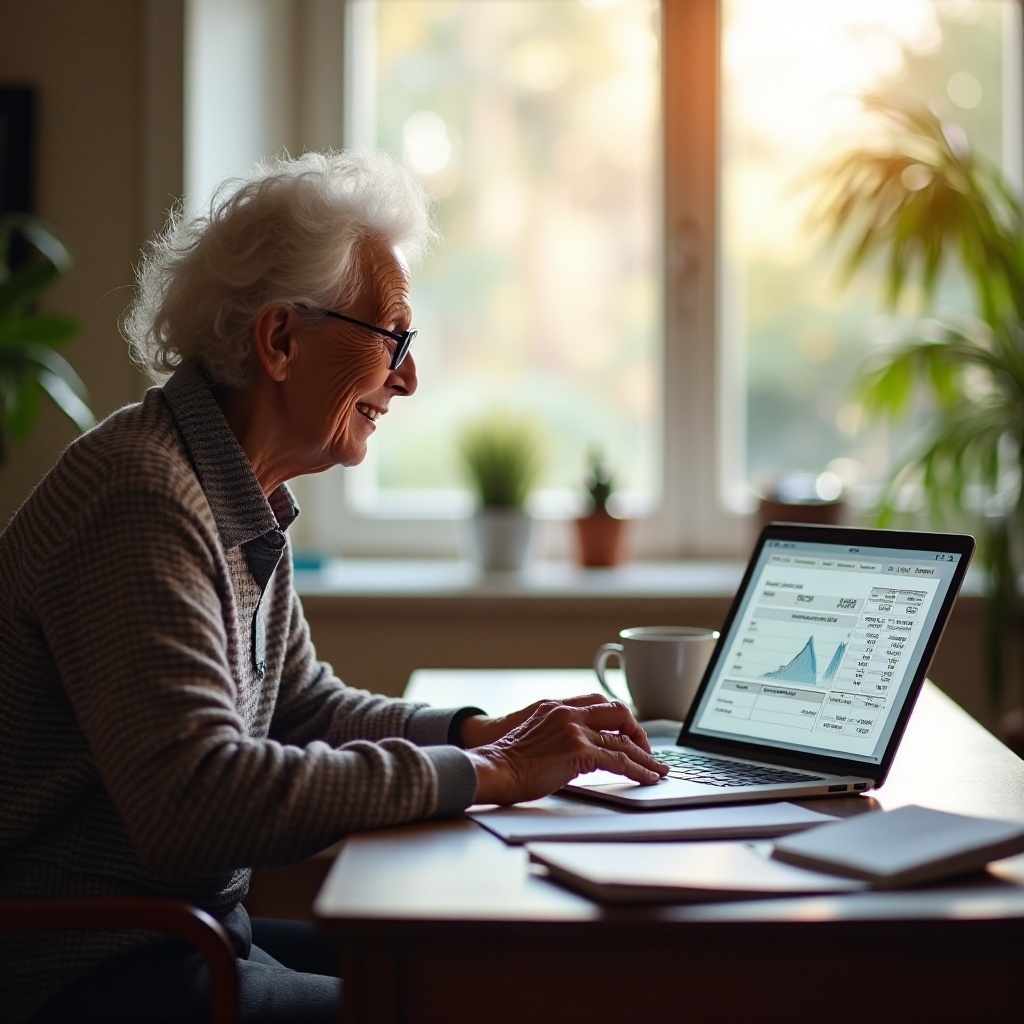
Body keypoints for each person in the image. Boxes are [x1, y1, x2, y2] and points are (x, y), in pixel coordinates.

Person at [0, 149, 667, 1024]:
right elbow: (195, 804)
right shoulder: (143, 496)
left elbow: (302, 707)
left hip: (187, 934)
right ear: (280, 339)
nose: (408, 376)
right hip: (92, 970)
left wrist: (477, 733)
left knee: (511, 974)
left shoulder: (231, 486)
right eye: (392, 336)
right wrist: (485, 770)